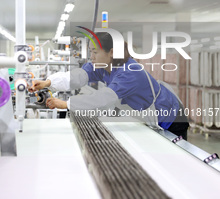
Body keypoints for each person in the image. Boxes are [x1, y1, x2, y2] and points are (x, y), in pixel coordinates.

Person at [28, 32, 190, 140]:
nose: (91, 57)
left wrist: (65, 104)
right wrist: (48, 82)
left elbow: (103, 99)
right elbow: (78, 76)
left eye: (95, 52)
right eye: (90, 52)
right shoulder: (102, 65)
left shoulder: (130, 71)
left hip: (171, 118)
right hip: (149, 116)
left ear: (111, 52)